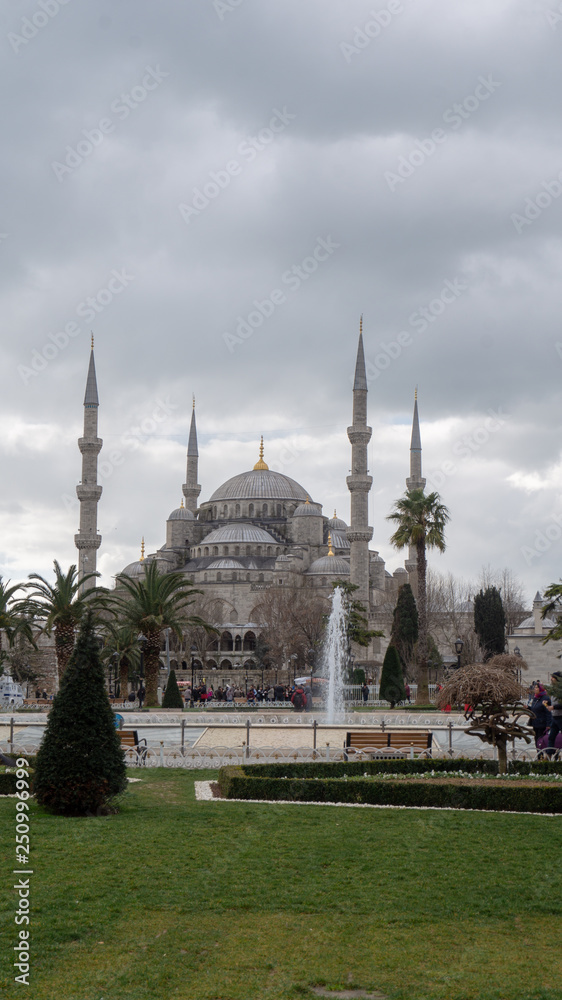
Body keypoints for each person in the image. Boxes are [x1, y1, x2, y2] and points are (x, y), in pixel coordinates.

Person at [544, 671, 562, 757]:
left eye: (553, 678)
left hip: (561, 717)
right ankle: (549, 755)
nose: (551, 679)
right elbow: (554, 701)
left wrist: (553, 707)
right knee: (551, 737)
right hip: (554, 717)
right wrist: (548, 702)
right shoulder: (554, 689)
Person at [528, 682, 551, 747]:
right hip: (535, 723)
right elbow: (534, 708)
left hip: (542, 723)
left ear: (540, 689)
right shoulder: (536, 698)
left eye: (536, 687)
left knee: (541, 740)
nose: (535, 689)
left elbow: (548, 712)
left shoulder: (545, 698)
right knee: (536, 740)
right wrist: (528, 708)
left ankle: (542, 755)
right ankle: (539, 756)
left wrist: (548, 724)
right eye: (534, 687)